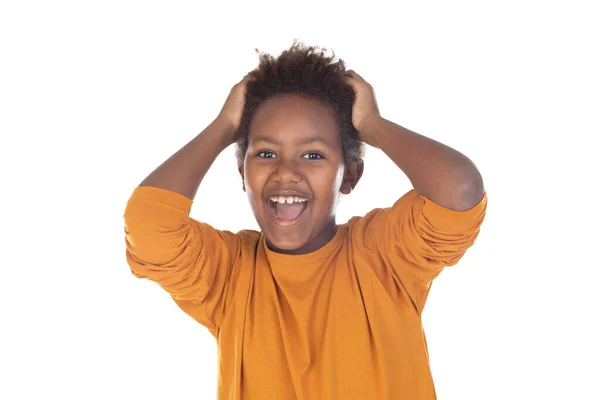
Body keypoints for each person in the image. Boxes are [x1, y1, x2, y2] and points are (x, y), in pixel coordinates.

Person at [123, 40, 488, 399]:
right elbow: (148, 225)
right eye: (266, 152)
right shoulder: (230, 275)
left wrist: (371, 123)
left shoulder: (384, 256)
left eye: (313, 155)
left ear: (350, 175)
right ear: (242, 171)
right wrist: (223, 126)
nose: (286, 171)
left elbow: (458, 189)